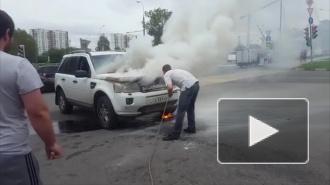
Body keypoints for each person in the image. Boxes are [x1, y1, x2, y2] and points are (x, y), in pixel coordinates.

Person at [0, 10, 63, 185]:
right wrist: (51, 144)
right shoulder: (18, 66)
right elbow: (38, 112)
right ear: (7, 34)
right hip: (11, 156)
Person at [162, 64, 200, 141]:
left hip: (188, 87)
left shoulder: (167, 74)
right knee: (190, 108)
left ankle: (175, 133)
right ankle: (191, 128)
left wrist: (170, 93)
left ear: (163, 71)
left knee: (180, 111)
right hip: (196, 85)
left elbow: (170, 87)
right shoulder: (176, 71)